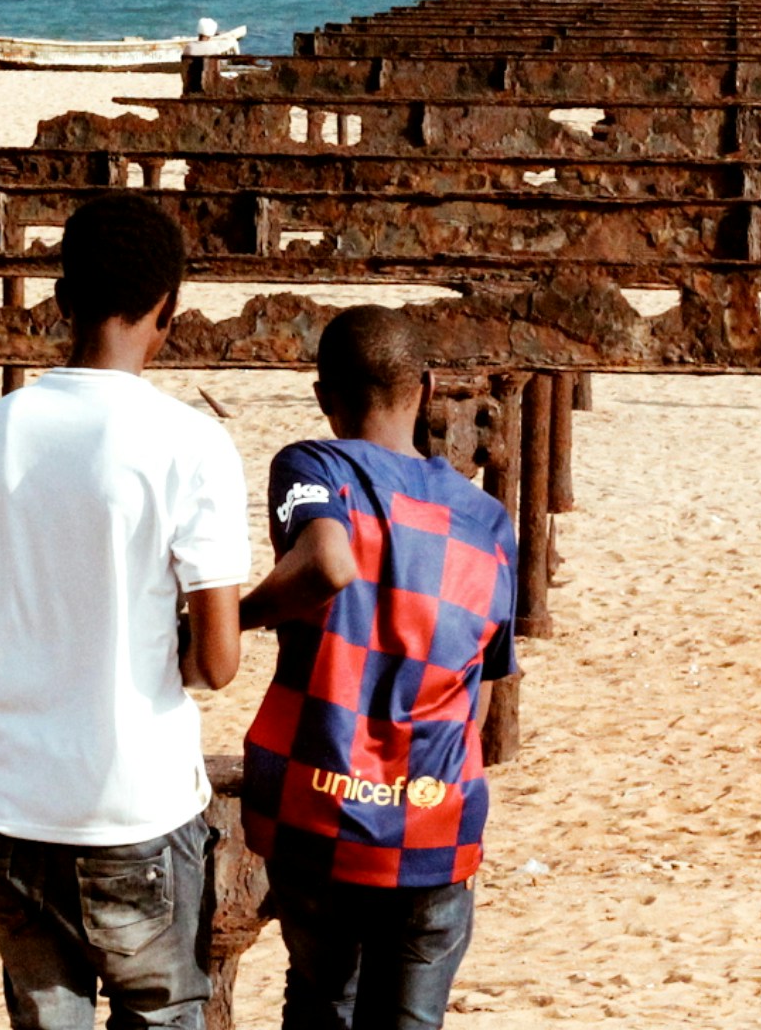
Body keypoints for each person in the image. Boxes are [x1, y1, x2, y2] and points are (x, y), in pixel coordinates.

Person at [0, 195, 251, 1030]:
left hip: (8, 804)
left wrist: (40, 611)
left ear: (61, 302)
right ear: (169, 309)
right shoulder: (191, 444)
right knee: (162, 1012)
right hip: (131, 804)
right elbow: (217, 662)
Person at [239, 307, 518, 1030]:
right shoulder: (487, 521)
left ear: (323, 396)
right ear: (426, 389)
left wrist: (227, 618)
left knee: (320, 997)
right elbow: (481, 699)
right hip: (435, 825)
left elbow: (321, 562)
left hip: (317, 813)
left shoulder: (314, 467)